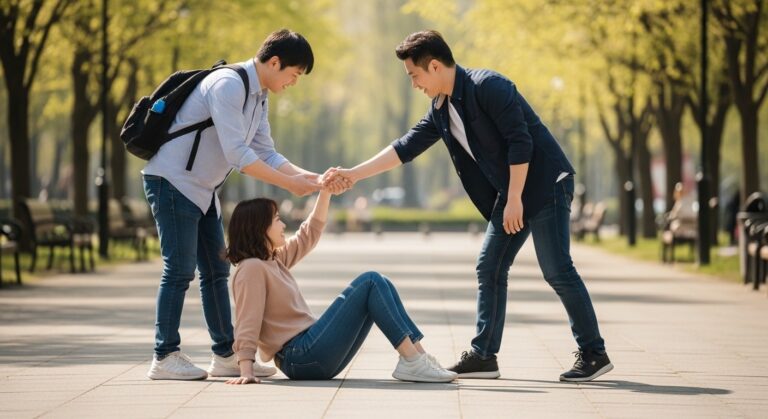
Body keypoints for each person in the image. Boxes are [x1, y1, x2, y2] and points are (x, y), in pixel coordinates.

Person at [325, 30, 612, 382]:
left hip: (545, 184)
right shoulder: (441, 110)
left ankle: (594, 352)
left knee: (556, 269)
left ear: (434, 66)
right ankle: (483, 356)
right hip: (513, 193)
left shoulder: (488, 86)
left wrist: (516, 199)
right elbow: (405, 147)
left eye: (414, 75)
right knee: (489, 266)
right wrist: (353, 174)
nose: (414, 83)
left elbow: (520, 142)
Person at [143, 29, 347, 381]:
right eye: (294, 75)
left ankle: (225, 353)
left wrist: (313, 181)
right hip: (172, 181)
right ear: (274, 62)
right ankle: (164, 355)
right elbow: (238, 154)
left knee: (216, 272)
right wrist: (290, 184)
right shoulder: (228, 85)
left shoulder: (258, 96)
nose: (293, 83)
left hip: (203, 189)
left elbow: (266, 150)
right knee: (179, 269)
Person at [224, 184, 457, 384]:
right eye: (276, 220)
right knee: (371, 281)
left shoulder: (273, 260)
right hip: (299, 355)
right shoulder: (252, 268)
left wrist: (325, 192)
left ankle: (418, 356)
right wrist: (246, 369)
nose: (283, 224)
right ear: (259, 227)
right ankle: (412, 360)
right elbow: (247, 320)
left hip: (308, 352)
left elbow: (309, 234)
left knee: (381, 283)